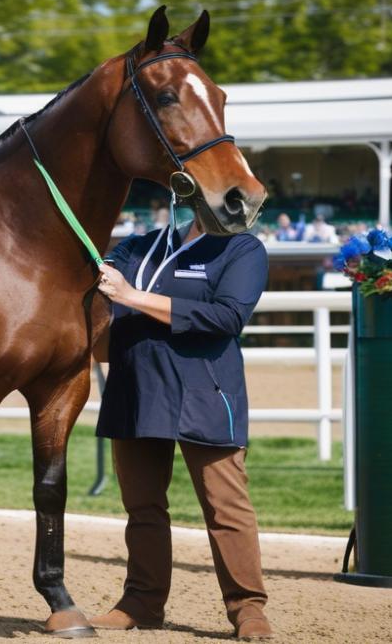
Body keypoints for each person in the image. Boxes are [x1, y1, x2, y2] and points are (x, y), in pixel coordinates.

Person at [91, 209, 273, 640]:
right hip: (136, 389)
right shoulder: (138, 245)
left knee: (225, 507)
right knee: (142, 507)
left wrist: (132, 297)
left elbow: (228, 317)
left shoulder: (242, 247)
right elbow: (94, 287)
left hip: (205, 392)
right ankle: (141, 601)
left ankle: (248, 607)